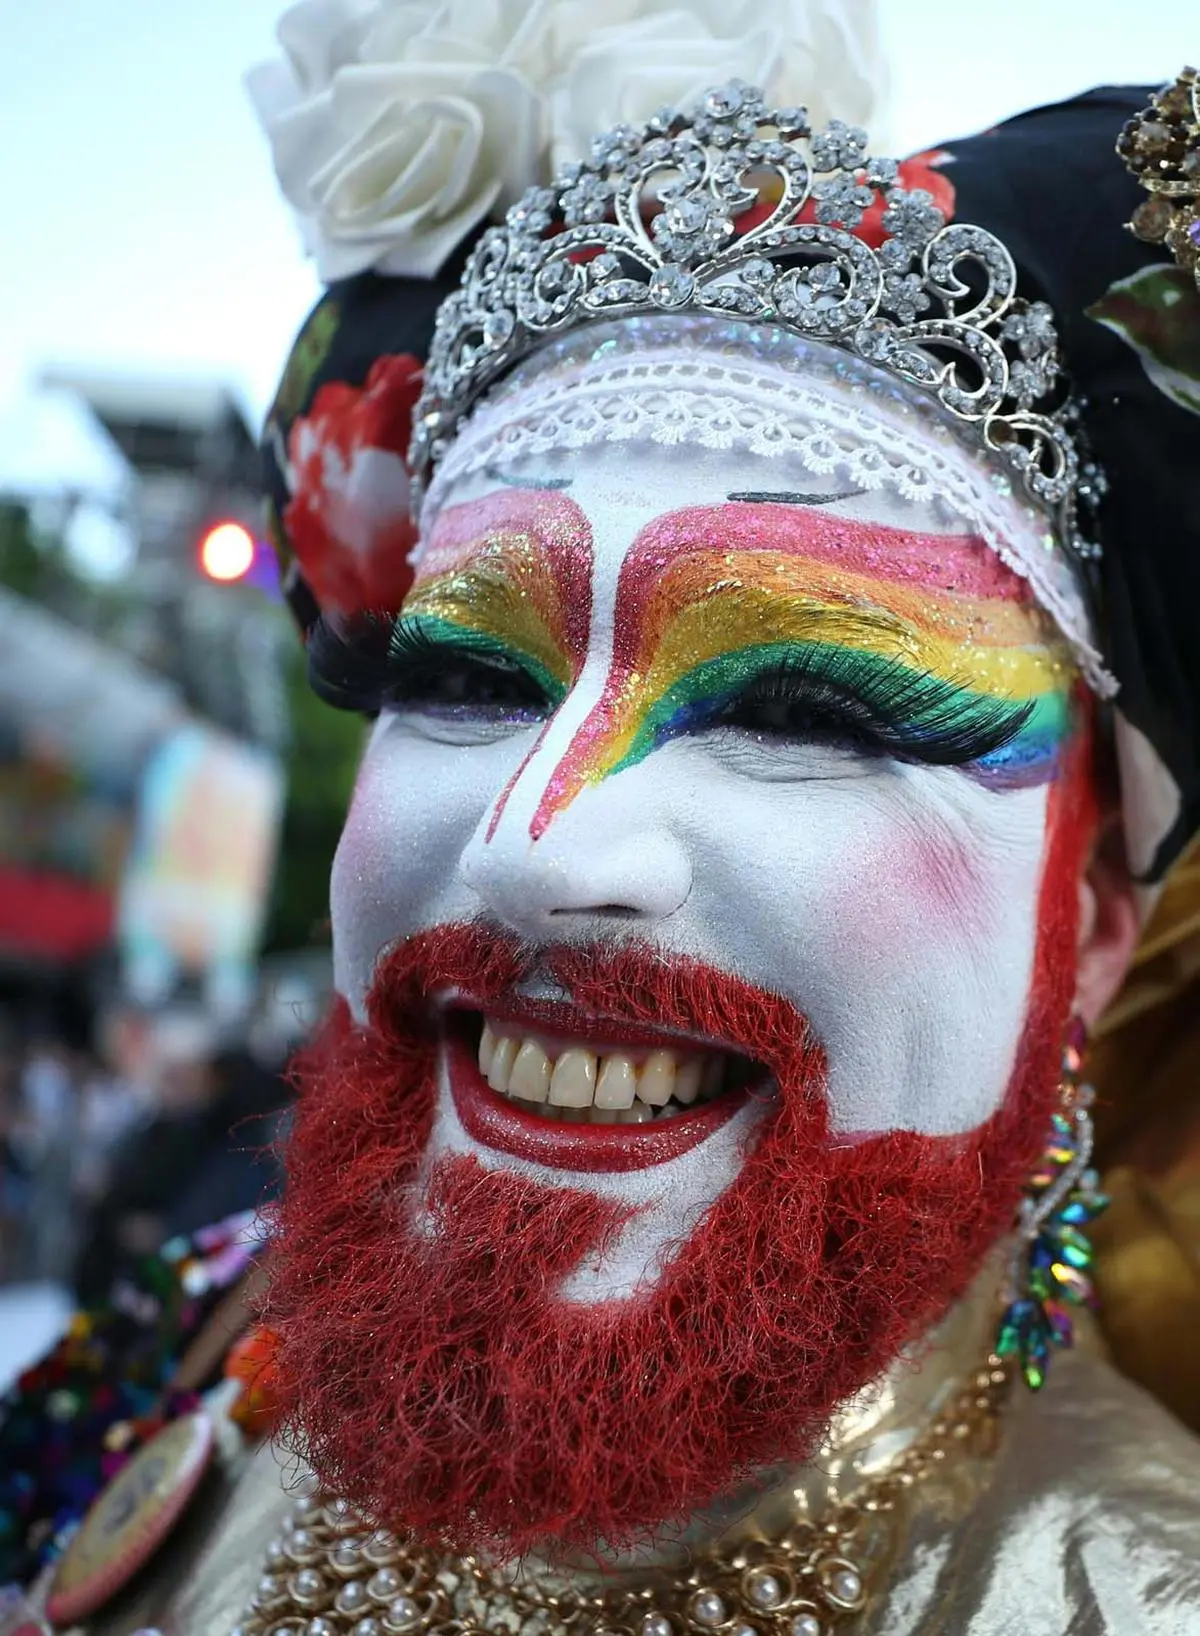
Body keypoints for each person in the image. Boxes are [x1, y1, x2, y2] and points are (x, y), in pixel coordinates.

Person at [13, 8, 1200, 1633]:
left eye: (809, 709)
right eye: (472, 677)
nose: (532, 843)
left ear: (1089, 933)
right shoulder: (193, 1344)